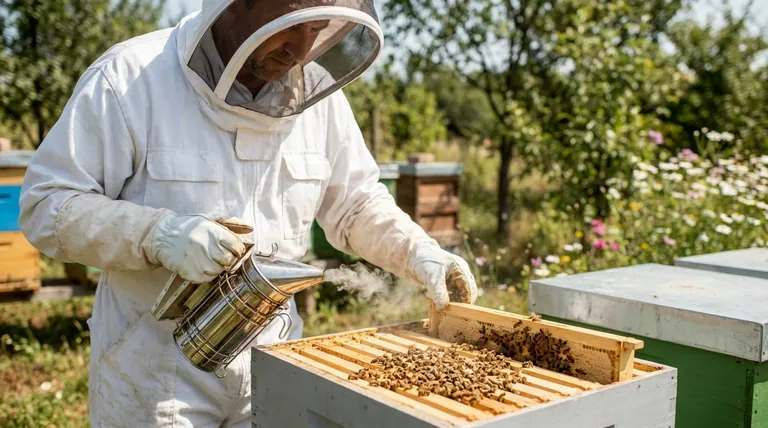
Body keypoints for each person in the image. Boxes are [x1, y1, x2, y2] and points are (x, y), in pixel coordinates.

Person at [18, 0, 477, 426]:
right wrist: (155, 234)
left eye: (317, 30)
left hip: (274, 361)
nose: (301, 50)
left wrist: (418, 251)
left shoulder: (318, 99)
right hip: (156, 375)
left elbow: (355, 203)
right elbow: (48, 204)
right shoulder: (130, 79)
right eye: (292, 27)